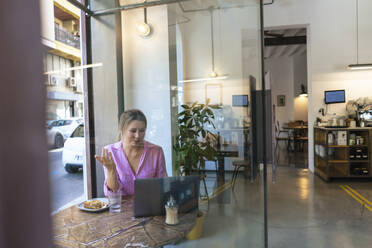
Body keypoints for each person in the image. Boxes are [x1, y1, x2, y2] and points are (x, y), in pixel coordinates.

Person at [95, 109, 167, 196]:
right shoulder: (110, 152)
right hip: (121, 207)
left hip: (149, 206)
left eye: (142, 131)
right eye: (133, 131)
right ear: (122, 130)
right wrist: (111, 170)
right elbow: (113, 193)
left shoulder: (156, 152)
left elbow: (163, 186)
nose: (137, 136)